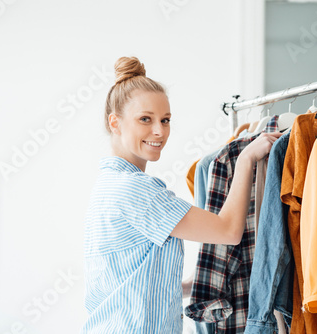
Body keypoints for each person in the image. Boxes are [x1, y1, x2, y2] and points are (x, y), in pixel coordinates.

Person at [81, 56, 281, 333]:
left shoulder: (107, 185)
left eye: (165, 120)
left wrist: (190, 285)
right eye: (145, 119)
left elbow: (125, 277)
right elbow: (228, 231)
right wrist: (246, 159)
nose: (159, 131)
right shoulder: (136, 190)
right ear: (115, 123)